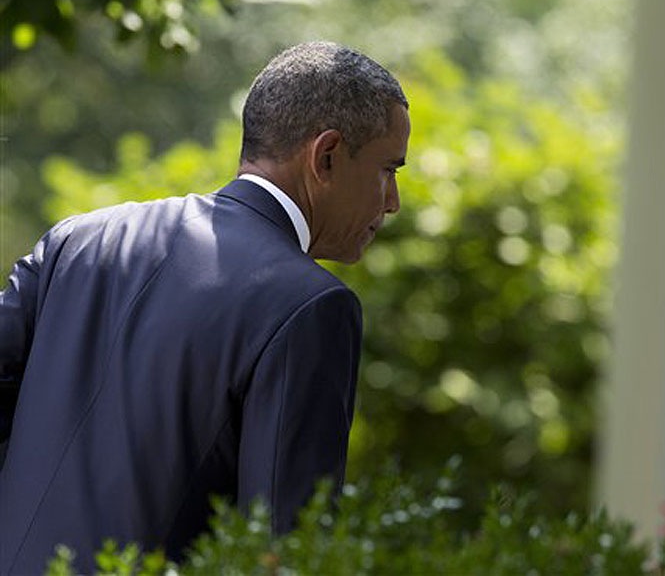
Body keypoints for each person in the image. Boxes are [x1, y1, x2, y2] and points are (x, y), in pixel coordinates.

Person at [0, 41, 410, 574]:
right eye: (389, 169)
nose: (393, 200)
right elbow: (282, 547)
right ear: (326, 155)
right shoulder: (312, 305)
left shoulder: (76, 240)